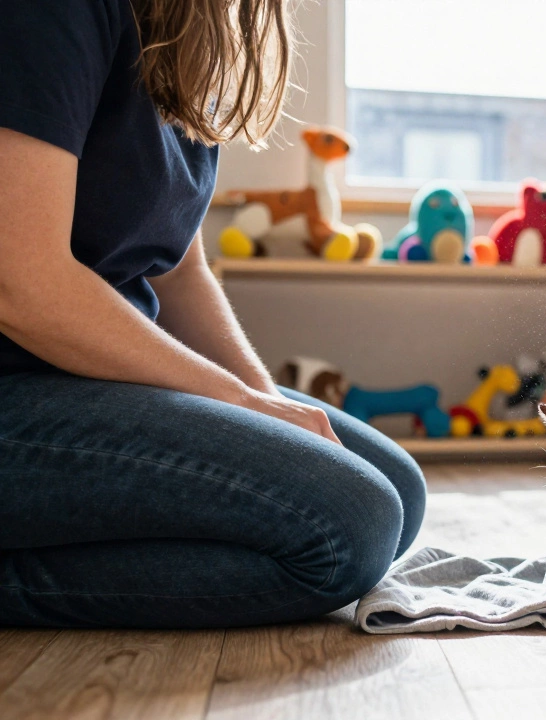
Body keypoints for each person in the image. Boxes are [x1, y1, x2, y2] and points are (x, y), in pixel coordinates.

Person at [0, 0, 424, 628]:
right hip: (18, 383)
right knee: (352, 527)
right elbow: (23, 285)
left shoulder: (180, 40)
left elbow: (178, 270)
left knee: (399, 493)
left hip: (89, 381)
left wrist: (268, 405)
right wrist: (251, 409)